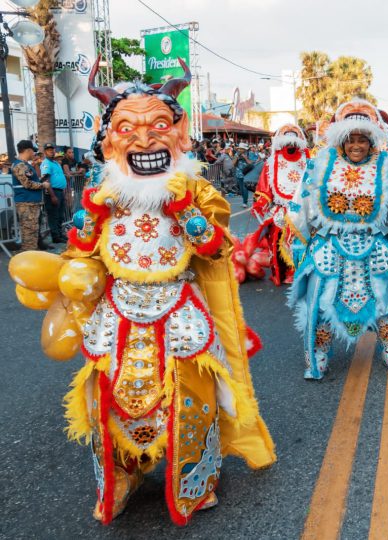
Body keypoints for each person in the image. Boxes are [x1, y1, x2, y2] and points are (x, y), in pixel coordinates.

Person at [9, 60, 275, 525]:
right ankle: (124, 477)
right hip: (117, 312)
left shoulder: (195, 188)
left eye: (158, 125)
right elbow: (82, 251)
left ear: (180, 134)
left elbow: (215, 250)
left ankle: (195, 476)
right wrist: (75, 266)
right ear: (109, 139)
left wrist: (183, 207)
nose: (145, 139)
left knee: (192, 396)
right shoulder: (100, 190)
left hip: (179, 310)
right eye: (127, 127)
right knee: (106, 401)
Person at [286, 99, 388, 380]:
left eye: (363, 139)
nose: (357, 145)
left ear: (372, 140)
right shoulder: (319, 164)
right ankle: (320, 353)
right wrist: (299, 244)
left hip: (375, 245)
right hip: (329, 247)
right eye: (351, 139)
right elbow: (302, 203)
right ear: (341, 140)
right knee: (324, 300)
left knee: (385, 297)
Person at [251, 124, 309, 286]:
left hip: (301, 208)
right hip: (280, 209)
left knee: (300, 240)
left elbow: (312, 184)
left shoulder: (308, 161)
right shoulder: (272, 162)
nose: (290, 146)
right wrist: (261, 202)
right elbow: (265, 186)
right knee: (276, 241)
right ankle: (282, 272)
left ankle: (297, 271)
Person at [11, 140, 49, 251]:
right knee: (29, 233)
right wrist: (43, 185)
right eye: (33, 151)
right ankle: (28, 258)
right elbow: (27, 183)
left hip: (30, 202)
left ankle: (30, 257)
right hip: (27, 203)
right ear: (28, 150)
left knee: (32, 232)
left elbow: (30, 179)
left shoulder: (25, 164)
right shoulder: (20, 165)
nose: (34, 154)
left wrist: (40, 180)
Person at [40, 143, 68, 244]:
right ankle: (55, 236)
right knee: (53, 215)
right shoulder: (46, 163)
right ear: (45, 152)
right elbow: (46, 180)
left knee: (60, 215)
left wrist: (63, 194)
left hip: (60, 192)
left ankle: (60, 234)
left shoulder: (56, 163)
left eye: (52, 149)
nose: (51, 151)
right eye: (48, 150)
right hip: (52, 192)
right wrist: (52, 196)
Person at [233, 142, 255, 207]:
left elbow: (251, 163)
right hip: (238, 173)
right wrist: (236, 157)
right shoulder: (236, 154)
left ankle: (245, 202)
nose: (240, 150)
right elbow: (233, 163)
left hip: (246, 173)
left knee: (245, 188)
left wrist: (245, 158)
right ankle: (244, 200)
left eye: (241, 149)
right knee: (241, 189)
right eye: (239, 149)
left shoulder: (249, 154)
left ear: (245, 149)